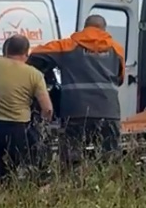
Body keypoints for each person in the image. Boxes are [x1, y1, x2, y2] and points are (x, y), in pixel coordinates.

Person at [31, 14, 127, 167]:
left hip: (76, 111)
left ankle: (74, 187)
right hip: (108, 112)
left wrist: (46, 71)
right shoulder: (117, 49)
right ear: (104, 29)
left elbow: (35, 55)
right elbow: (120, 79)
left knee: (72, 159)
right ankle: (107, 188)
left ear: (85, 27)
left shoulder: (67, 46)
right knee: (109, 159)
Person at [0, 35, 53, 181]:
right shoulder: (35, 74)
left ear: (7, 50)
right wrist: (43, 124)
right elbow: (47, 109)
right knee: (20, 167)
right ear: (27, 52)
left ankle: (0, 194)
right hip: (19, 128)